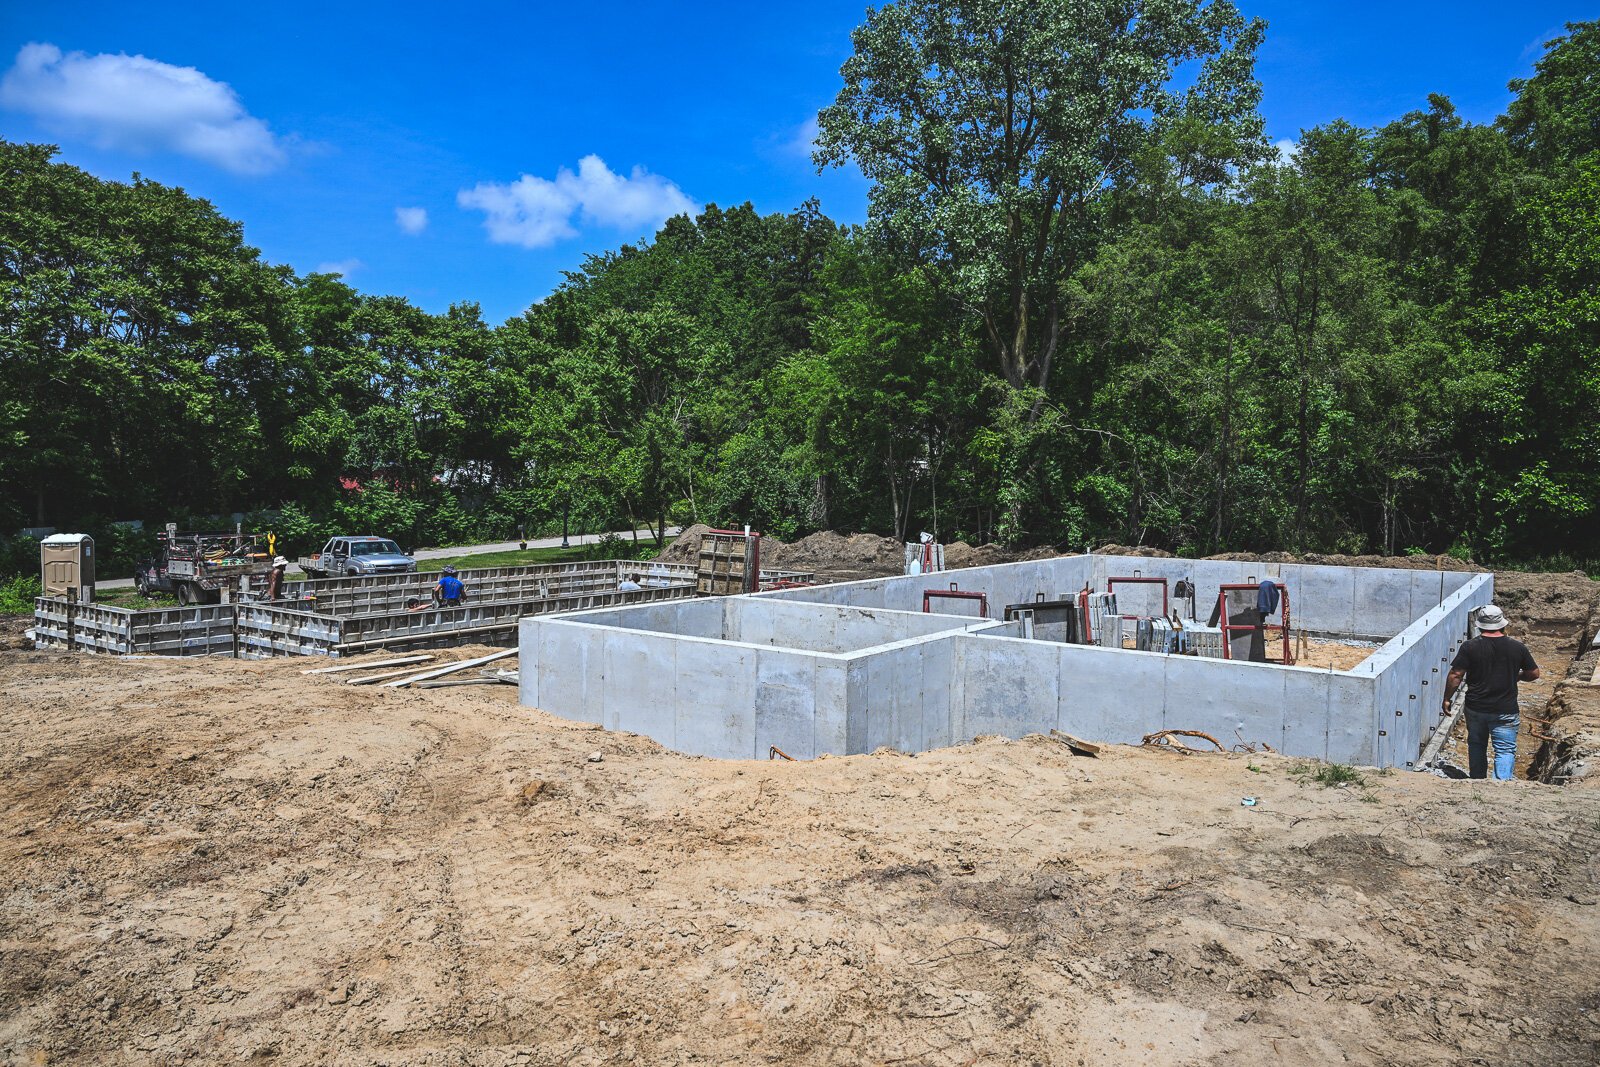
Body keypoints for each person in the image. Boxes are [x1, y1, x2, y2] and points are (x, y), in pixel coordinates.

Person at [1442, 605, 1540, 781]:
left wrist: (1447, 699)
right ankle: (1499, 787)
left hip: (1476, 708)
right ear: (1503, 624)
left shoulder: (1469, 647)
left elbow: (1456, 674)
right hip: (1505, 710)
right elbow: (1533, 674)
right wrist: (1517, 676)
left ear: (1480, 625)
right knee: (1505, 749)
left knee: (1477, 744)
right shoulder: (1517, 647)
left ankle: (1478, 782)